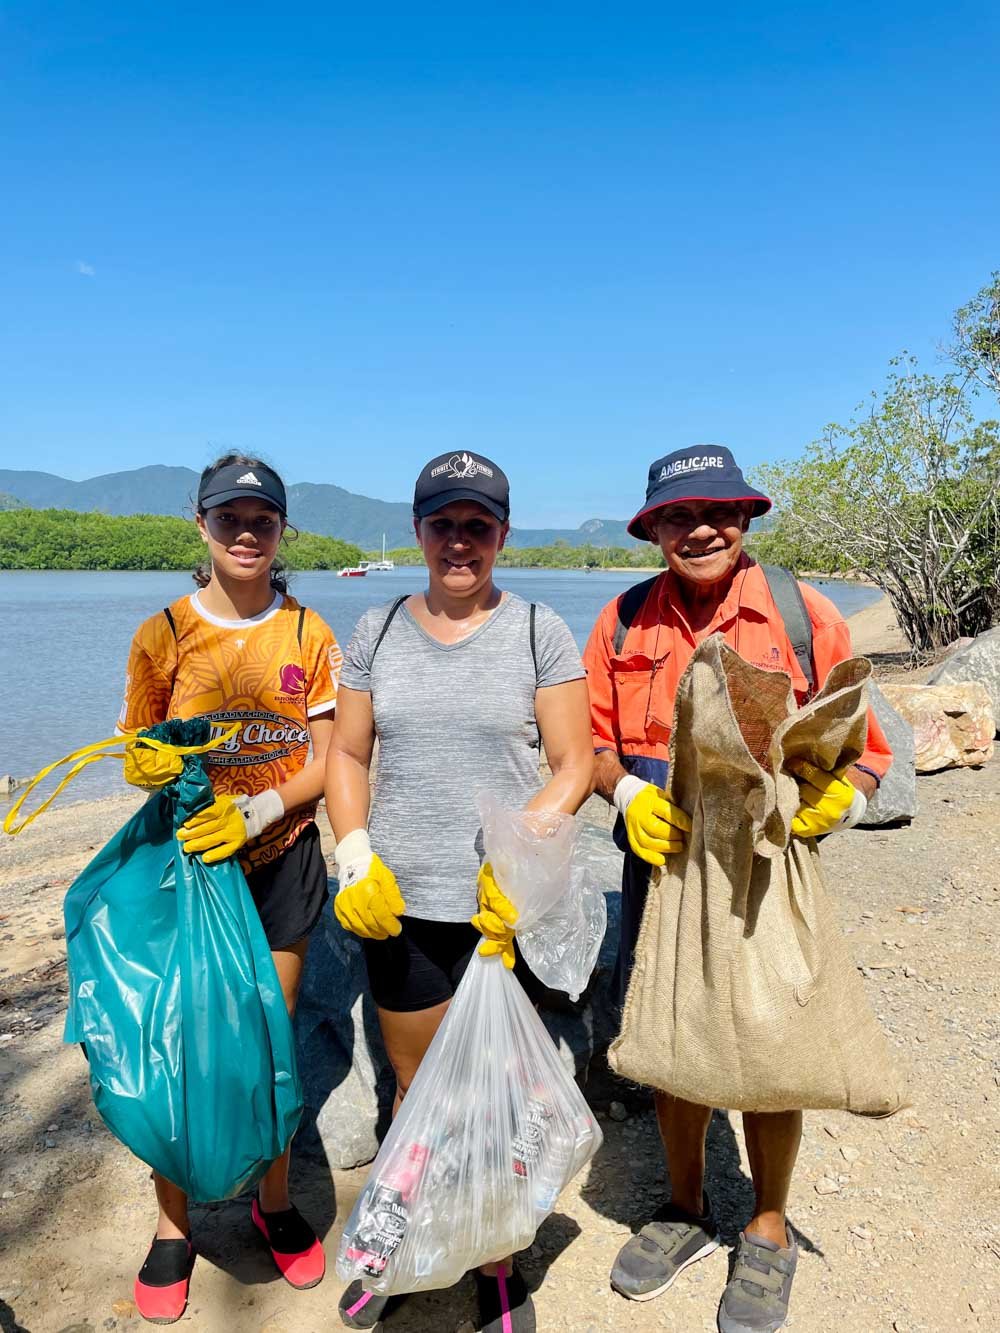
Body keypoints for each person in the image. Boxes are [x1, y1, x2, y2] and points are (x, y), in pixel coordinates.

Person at [583, 444, 893, 1333]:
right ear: (653, 531)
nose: (701, 528)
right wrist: (628, 791)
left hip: (767, 865)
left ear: (748, 518)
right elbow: (591, 742)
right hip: (664, 855)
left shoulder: (801, 613)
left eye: (720, 510)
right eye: (678, 516)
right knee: (675, 1034)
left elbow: (867, 747)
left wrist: (841, 799)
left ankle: (767, 1225)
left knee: (773, 1036)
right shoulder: (620, 618)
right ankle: (684, 1207)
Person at [326, 450, 594, 1333]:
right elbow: (349, 754)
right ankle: (402, 1248)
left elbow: (574, 763)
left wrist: (521, 849)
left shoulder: (535, 630)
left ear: (502, 534)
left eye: (477, 525)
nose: (459, 541)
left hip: (499, 912)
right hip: (397, 904)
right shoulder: (377, 630)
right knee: (412, 1091)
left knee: (493, 1096)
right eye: (442, 523)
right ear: (417, 531)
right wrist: (357, 851)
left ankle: (495, 1262)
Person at [117, 453, 342, 1324]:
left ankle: (273, 1201)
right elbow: (136, 751)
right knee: (174, 1040)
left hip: (282, 856)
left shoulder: (308, 634)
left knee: (268, 1042)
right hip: (189, 866)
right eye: (228, 517)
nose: (246, 532)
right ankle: (173, 1226)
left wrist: (260, 810)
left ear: (282, 530)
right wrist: (152, 763)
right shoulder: (163, 634)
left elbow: (330, 759)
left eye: (263, 518)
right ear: (200, 524)